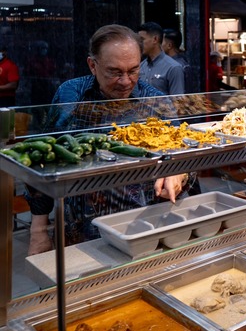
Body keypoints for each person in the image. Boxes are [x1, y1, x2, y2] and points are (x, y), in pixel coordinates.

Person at [27, 24, 192, 255]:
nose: (126, 81)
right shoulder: (70, 94)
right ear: (92, 65)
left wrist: (179, 171)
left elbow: (186, 153)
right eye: (115, 72)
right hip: (80, 227)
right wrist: (38, 231)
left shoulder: (155, 100)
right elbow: (44, 159)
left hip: (141, 223)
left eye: (134, 70)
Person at [138, 22, 185, 95]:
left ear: (155, 39)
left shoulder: (174, 68)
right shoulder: (141, 66)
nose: (139, 43)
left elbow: (177, 101)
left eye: (142, 40)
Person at [162, 28, 194, 93]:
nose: (158, 46)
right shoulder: (182, 62)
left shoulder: (179, 66)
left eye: (161, 42)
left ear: (169, 45)